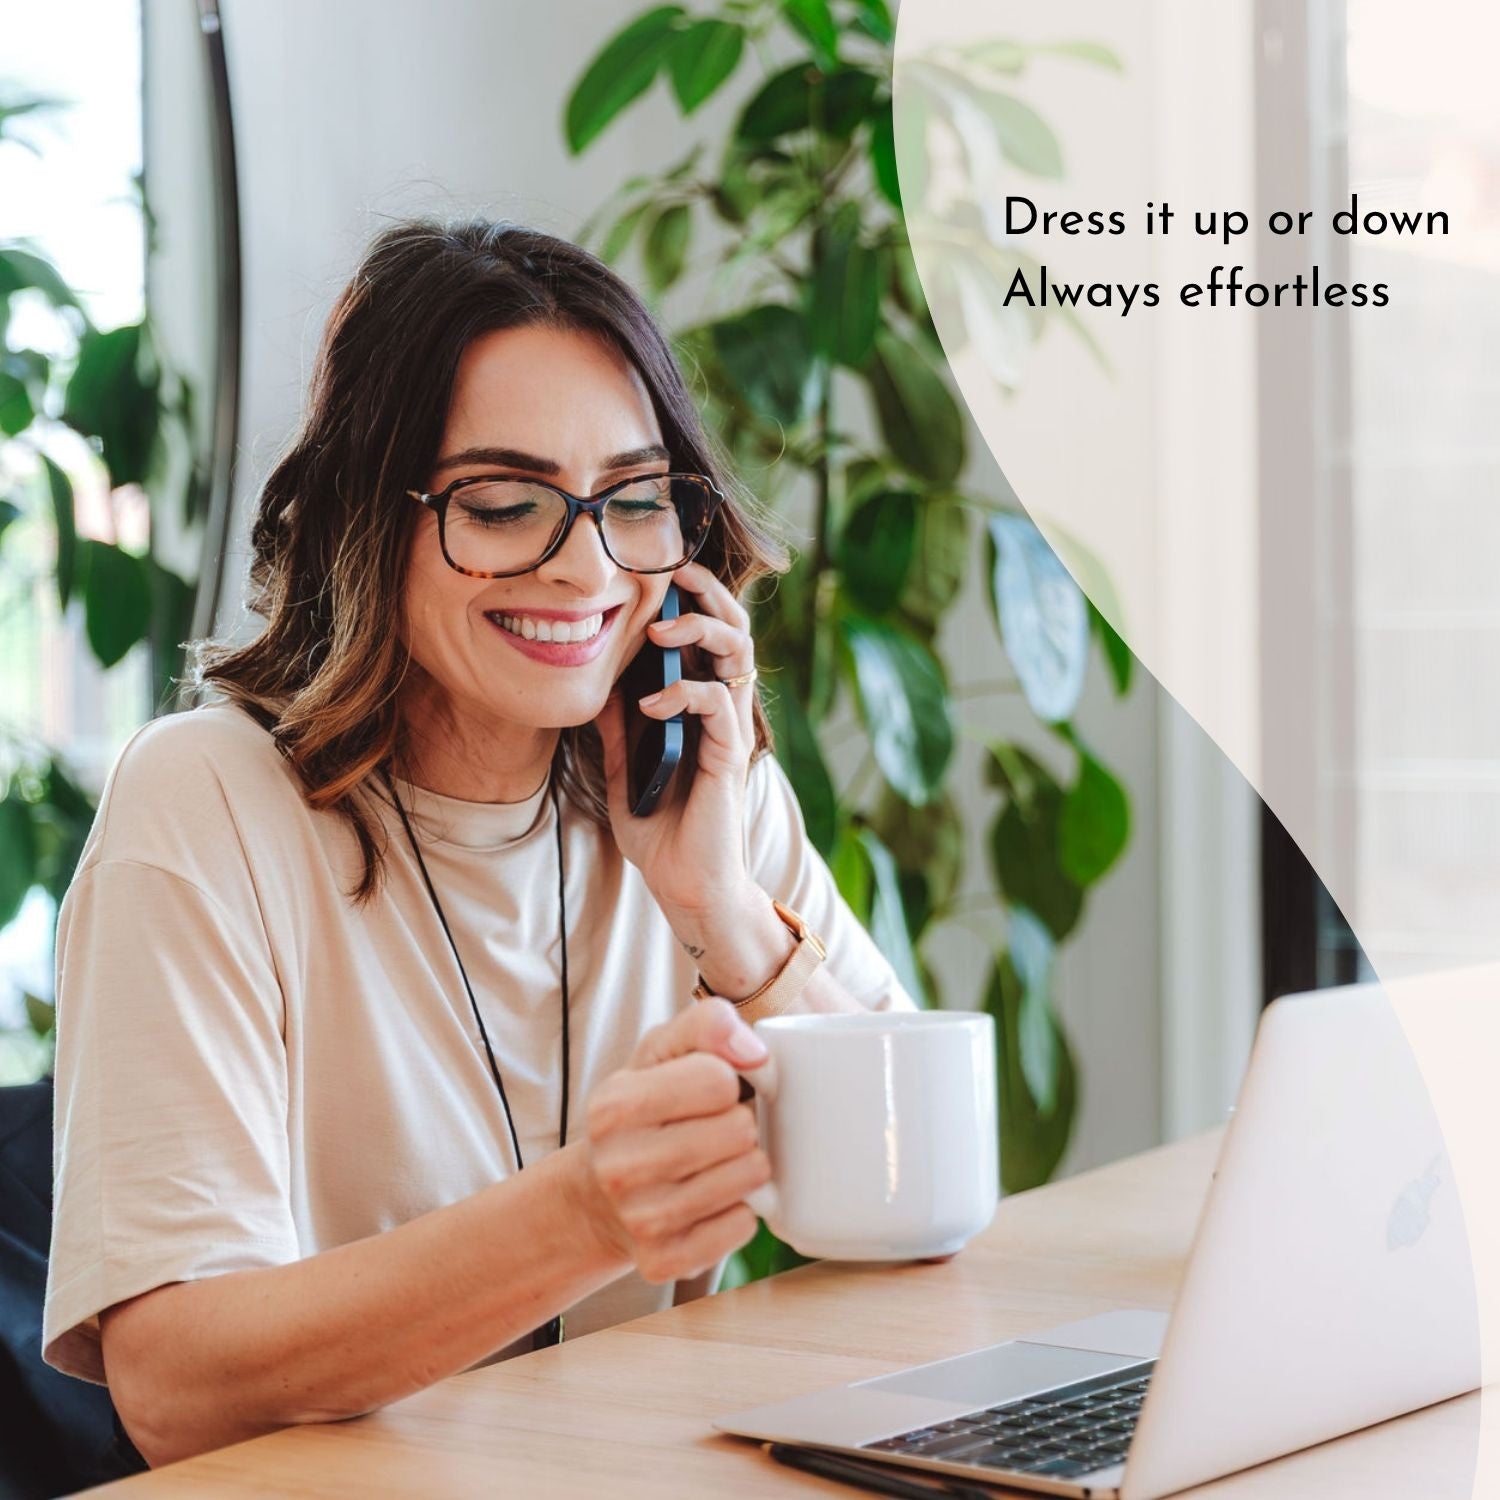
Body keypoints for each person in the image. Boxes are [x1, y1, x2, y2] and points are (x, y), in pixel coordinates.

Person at [41, 219, 917, 1468]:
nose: (585, 568)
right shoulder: (203, 803)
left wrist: (723, 910)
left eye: (634, 499)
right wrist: (581, 1213)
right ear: (368, 518)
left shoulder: (687, 782)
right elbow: (175, 1385)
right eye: (504, 505)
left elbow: (910, 1197)